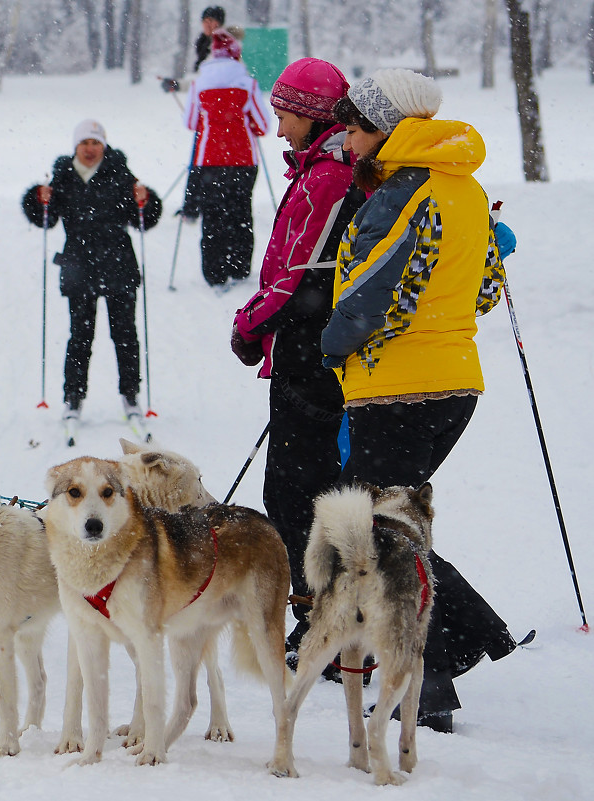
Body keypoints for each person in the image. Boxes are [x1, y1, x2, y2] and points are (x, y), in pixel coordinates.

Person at [323, 68, 520, 733]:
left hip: (396, 385)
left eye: (354, 129)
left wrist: (332, 339)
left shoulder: (406, 188)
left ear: (388, 129)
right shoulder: (466, 187)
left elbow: (373, 285)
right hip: (455, 382)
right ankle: (440, 655)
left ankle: (448, 651)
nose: (348, 142)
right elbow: (486, 292)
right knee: (394, 524)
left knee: (383, 531)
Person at [230, 58, 365, 656]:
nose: (278, 129)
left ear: (311, 116)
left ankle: (324, 625)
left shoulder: (328, 178)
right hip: (308, 348)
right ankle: (321, 620)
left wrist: (249, 326)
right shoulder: (321, 169)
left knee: (296, 495)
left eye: (285, 116)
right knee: (305, 493)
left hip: (311, 355)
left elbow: (302, 275)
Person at [21, 119, 162, 421]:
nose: (90, 149)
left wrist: (145, 201)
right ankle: (73, 397)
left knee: (125, 335)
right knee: (80, 336)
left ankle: (130, 394)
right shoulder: (63, 175)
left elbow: (144, 219)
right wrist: (38, 198)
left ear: (104, 146)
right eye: (84, 143)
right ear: (76, 147)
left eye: (95, 143)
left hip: (119, 265)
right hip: (79, 267)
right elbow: (46, 219)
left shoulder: (120, 173)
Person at [181, 28, 272, 287]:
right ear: (236, 56)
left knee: (213, 216)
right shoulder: (246, 84)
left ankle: (214, 271)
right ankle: (240, 266)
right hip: (243, 160)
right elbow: (263, 125)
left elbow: (190, 122)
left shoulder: (200, 84)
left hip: (209, 160)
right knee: (241, 212)